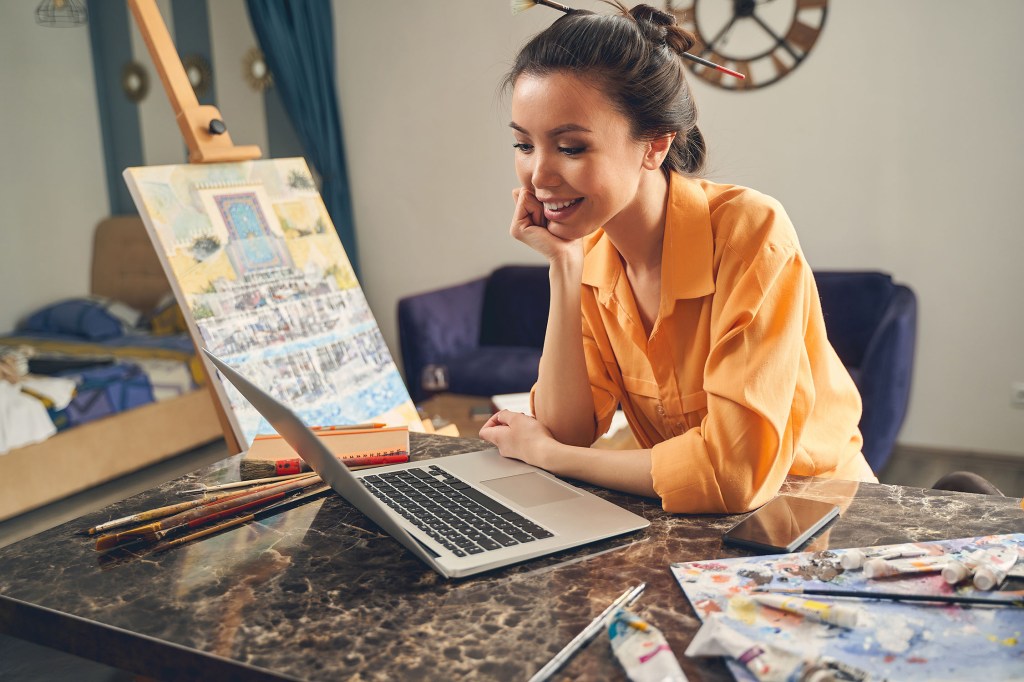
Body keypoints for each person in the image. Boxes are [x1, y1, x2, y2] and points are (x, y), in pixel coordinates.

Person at [478, 2, 878, 514]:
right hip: (693, 527)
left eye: (571, 148)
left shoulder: (751, 232)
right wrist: (564, 267)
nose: (537, 176)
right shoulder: (595, 252)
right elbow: (565, 429)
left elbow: (734, 474)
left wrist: (555, 458)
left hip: (821, 513)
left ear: (655, 145)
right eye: (523, 144)